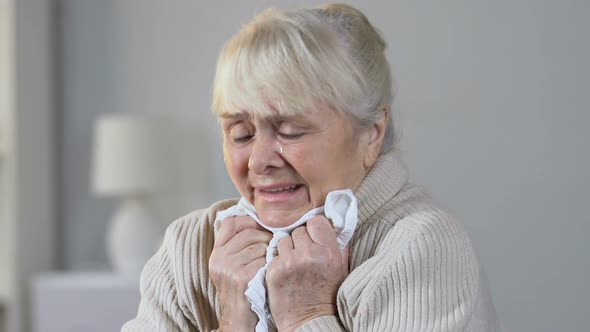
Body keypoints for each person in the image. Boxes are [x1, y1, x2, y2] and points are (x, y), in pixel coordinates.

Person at [123, 3, 503, 332]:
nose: (259, 161)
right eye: (240, 133)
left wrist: (307, 315)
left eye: (290, 130)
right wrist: (231, 321)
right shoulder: (189, 245)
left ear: (371, 134)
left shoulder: (422, 247)